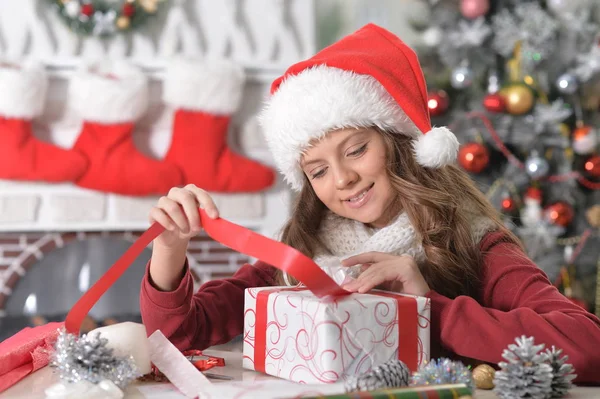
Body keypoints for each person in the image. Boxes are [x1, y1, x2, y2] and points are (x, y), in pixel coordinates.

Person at [140, 24, 600, 383]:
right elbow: (176, 339)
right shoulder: (302, 256)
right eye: (317, 171)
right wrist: (170, 249)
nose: (342, 179)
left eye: (357, 150)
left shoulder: (473, 241)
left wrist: (424, 310)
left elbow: (587, 347)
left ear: (398, 143)